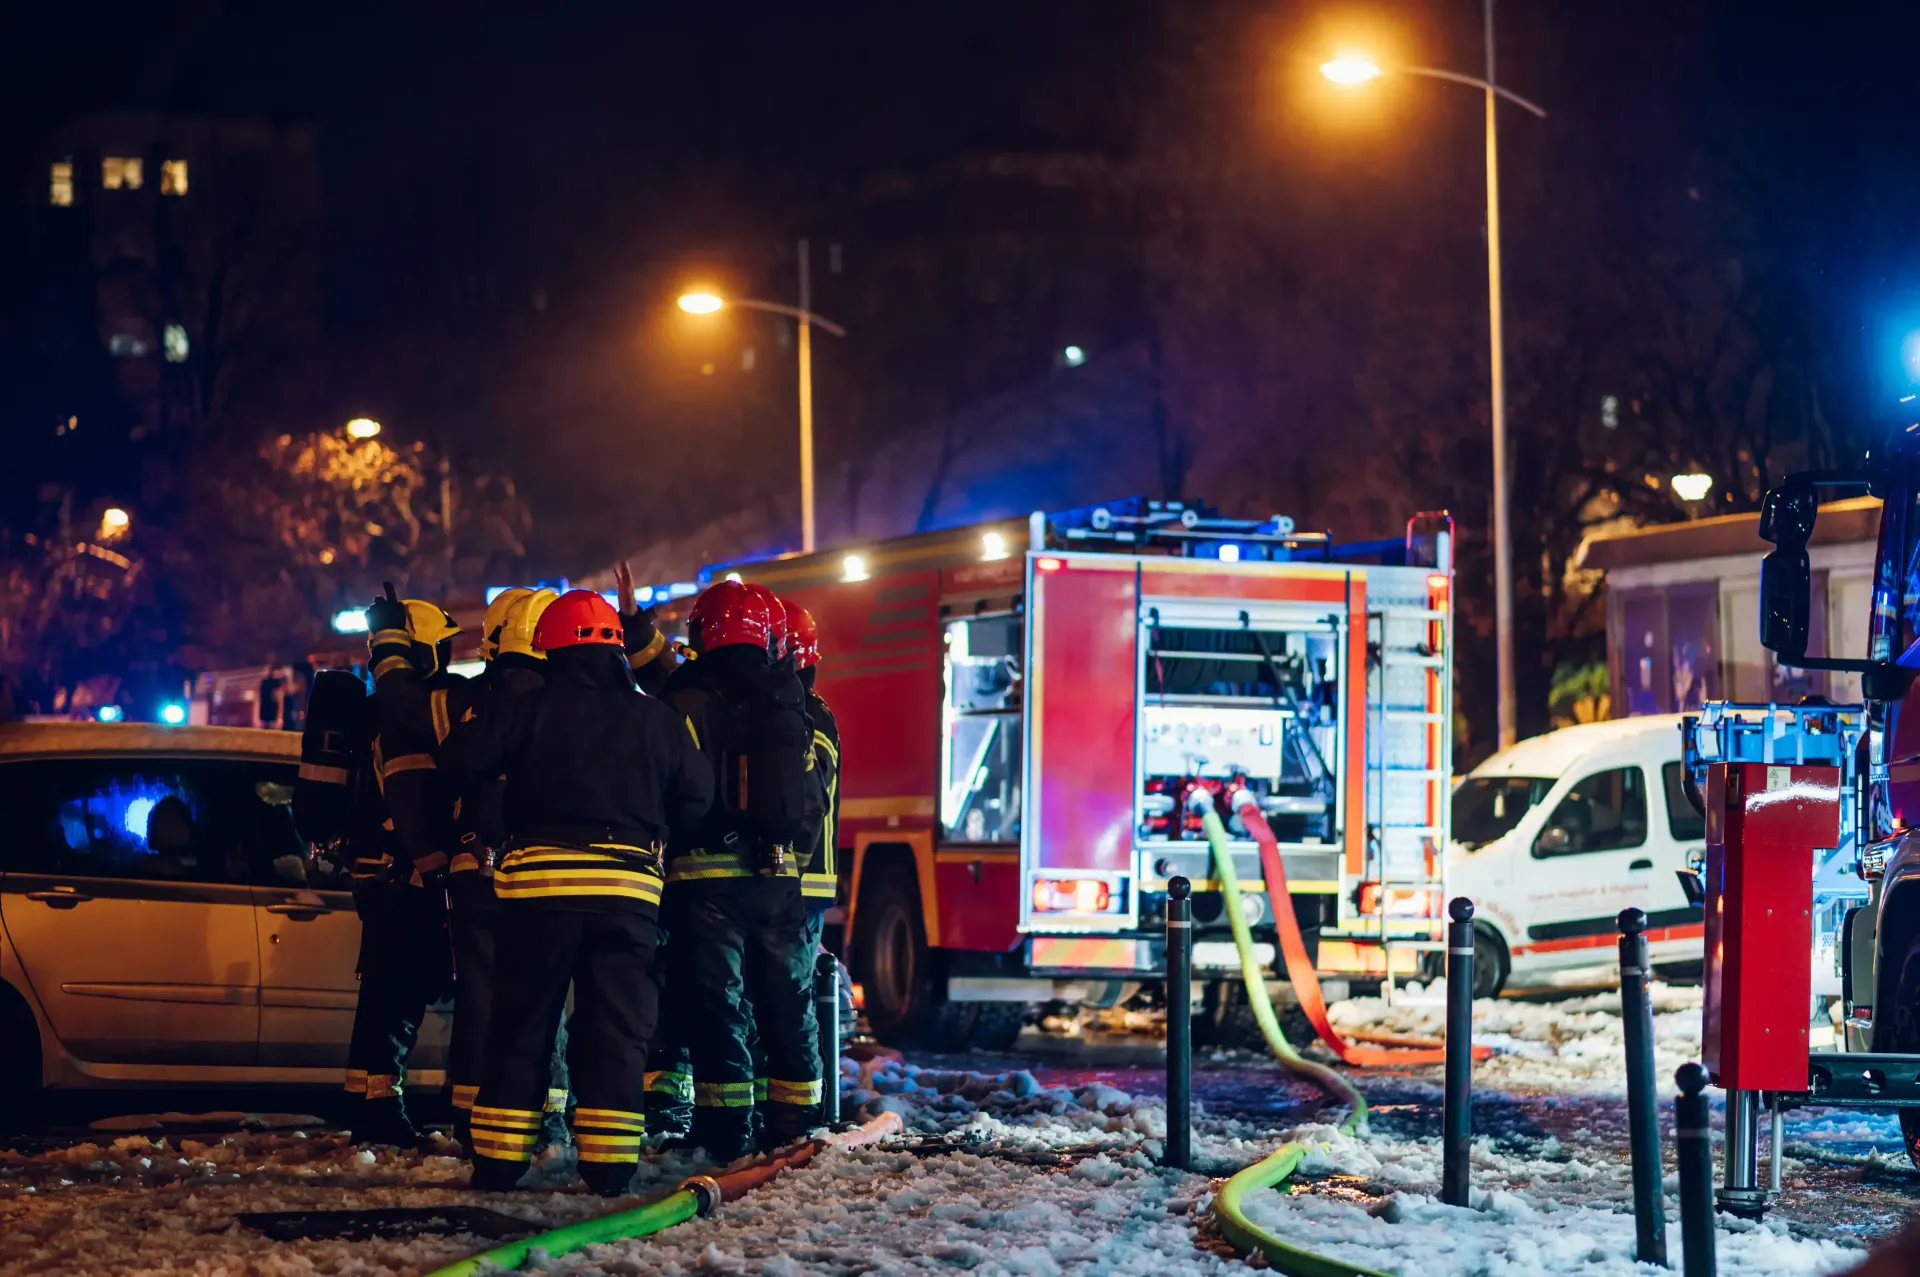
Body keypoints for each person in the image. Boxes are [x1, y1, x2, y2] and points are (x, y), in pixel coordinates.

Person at [442, 590, 711, 1195]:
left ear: (550, 647)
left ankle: (500, 1160)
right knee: (616, 1028)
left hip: (538, 893)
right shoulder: (658, 720)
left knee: (522, 1022)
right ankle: (611, 1166)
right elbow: (698, 798)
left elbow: (459, 761)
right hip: (626, 891)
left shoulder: (525, 709)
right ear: (618, 646)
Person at [652, 580, 823, 1159]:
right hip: (779, 879)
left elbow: (670, 789)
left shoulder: (682, 697)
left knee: (717, 1005)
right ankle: (797, 1122)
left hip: (704, 880)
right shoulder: (786, 696)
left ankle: (725, 1131)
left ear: (705, 630)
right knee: (786, 1002)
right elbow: (811, 801)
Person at [345, 594, 473, 1146]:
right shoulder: (407, 718)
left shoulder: (383, 712)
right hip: (408, 879)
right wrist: (438, 865)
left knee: (385, 999)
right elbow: (411, 797)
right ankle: (378, 1110)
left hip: (385, 875)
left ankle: (370, 1105)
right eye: (441, 646)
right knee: (396, 1003)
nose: (446, 657)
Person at [446, 586, 558, 1148]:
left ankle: (470, 1112)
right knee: (542, 996)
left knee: (479, 996)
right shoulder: (558, 701)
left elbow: (453, 769)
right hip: (537, 872)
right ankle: (541, 1112)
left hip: (472, 867)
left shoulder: (474, 699)